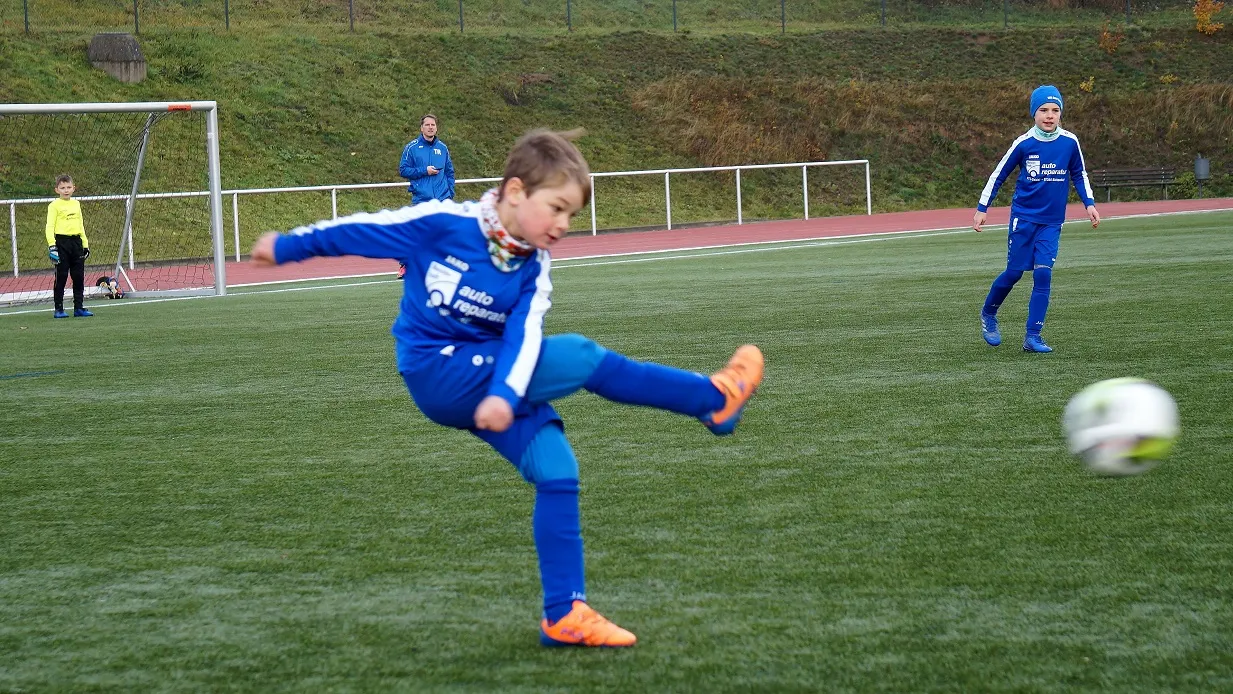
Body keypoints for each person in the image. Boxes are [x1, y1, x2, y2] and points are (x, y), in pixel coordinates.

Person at [251, 129, 764, 648]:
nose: (564, 225)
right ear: (516, 191)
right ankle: (713, 399)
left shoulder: (533, 267)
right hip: (436, 371)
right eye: (557, 209)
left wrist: (502, 392)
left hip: (492, 378)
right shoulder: (444, 225)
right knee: (581, 356)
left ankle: (564, 613)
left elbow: (524, 336)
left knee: (557, 467)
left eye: (572, 215)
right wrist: (287, 246)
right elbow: (359, 231)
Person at [973, 85, 1100, 353]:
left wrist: (1089, 204)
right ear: (1034, 113)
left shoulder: (1070, 142)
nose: (1049, 115)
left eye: (1055, 110)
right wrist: (983, 207)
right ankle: (989, 313)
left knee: (1043, 275)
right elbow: (998, 175)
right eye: (1043, 110)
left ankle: (1033, 336)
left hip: (1052, 221)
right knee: (1014, 273)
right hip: (1024, 218)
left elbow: (1079, 174)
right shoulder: (1024, 143)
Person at [397, 114, 456, 278]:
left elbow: (449, 172)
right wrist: (424, 171)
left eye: (433, 125)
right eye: (427, 125)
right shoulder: (412, 148)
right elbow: (403, 170)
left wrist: (449, 192)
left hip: (442, 199)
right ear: (421, 128)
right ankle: (405, 265)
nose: (430, 127)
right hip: (422, 198)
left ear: (436, 128)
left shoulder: (442, 148)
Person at [45, 174, 93, 318]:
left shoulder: (76, 204)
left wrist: (85, 244)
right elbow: (49, 227)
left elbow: (80, 225)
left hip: (76, 243)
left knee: (78, 276)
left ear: (73, 188)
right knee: (62, 276)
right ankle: (59, 309)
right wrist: (52, 246)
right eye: (62, 188)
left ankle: (79, 307)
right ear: (57, 190)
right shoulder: (54, 206)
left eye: (68, 187)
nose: (66, 190)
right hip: (61, 243)